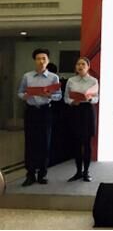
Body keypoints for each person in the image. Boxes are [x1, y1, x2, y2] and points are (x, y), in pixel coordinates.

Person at [17, 48, 62, 186]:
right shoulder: (27, 76)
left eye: (44, 59)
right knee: (30, 143)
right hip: (31, 111)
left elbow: (58, 96)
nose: (41, 61)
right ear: (34, 60)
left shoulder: (53, 77)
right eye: (38, 59)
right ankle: (30, 174)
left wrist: (50, 95)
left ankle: (42, 173)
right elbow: (20, 92)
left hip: (45, 111)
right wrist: (25, 96)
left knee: (45, 142)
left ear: (48, 60)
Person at [64, 57, 99, 182]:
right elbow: (66, 97)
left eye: (83, 64)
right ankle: (78, 171)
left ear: (88, 67)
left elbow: (97, 98)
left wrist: (90, 99)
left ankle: (86, 172)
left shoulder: (93, 81)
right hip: (75, 111)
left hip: (87, 111)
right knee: (76, 143)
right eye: (78, 64)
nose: (80, 66)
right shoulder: (71, 80)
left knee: (87, 143)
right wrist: (72, 101)